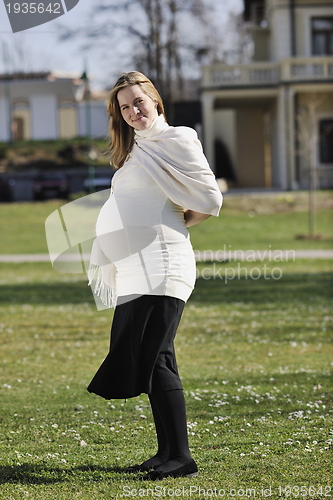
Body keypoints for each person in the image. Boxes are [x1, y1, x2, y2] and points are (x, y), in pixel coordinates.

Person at [87, 71, 222, 480]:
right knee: (156, 358)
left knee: (155, 358)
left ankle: (181, 457)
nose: (133, 112)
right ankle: (168, 453)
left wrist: (176, 224)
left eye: (138, 102)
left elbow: (209, 197)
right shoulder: (135, 152)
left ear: (155, 101)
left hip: (163, 265)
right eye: (124, 107)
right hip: (135, 269)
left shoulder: (177, 138)